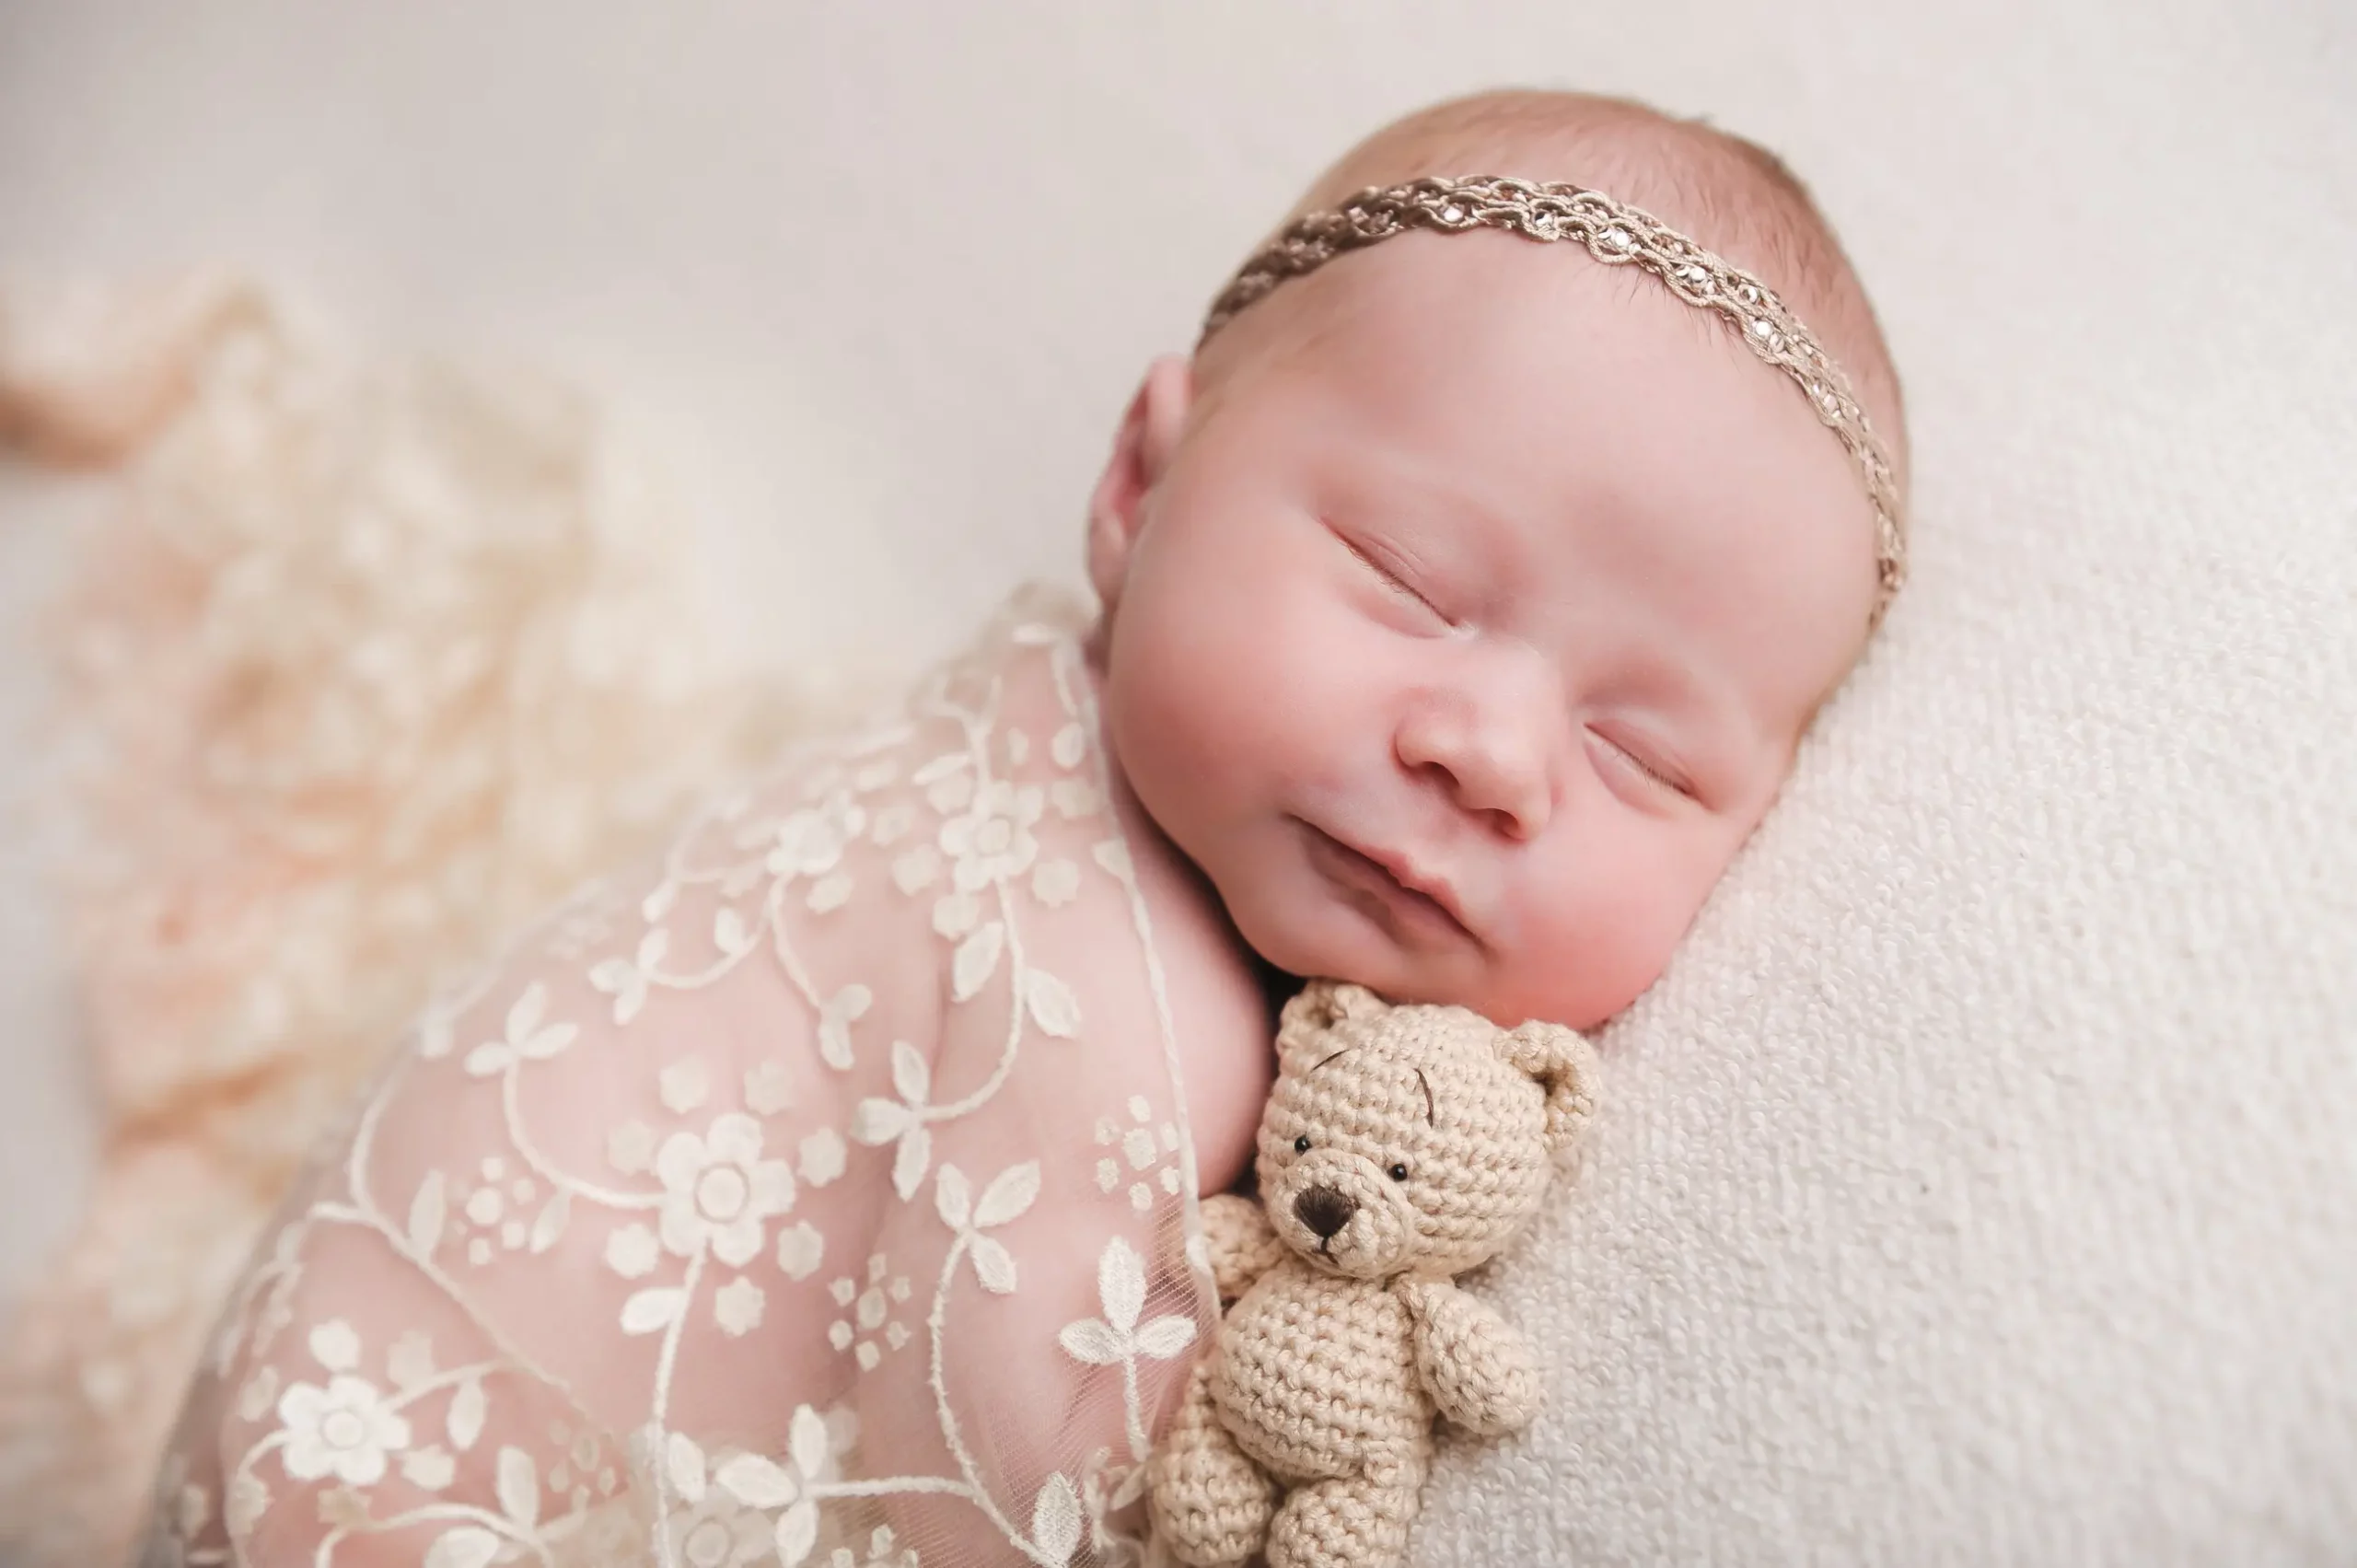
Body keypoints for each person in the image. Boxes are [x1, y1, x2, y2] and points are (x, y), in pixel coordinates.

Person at [136, 87, 1909, 1568]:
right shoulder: (1116, 990)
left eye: (1643, 755)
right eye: (1409, 582)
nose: (1495, 754)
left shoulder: (1062, 733)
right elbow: (996, 1459)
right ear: (1143, 486)